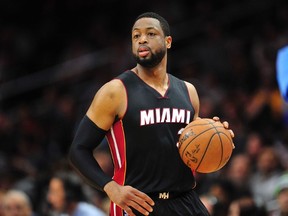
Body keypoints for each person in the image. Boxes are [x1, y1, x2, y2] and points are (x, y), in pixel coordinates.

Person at [69, 12, 234, 216]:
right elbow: (78, 149)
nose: (142, 39)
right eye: (136, 36)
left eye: (150, 33)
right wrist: (111, 188)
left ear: (168, 41)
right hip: (138, 204)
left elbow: (195, 148)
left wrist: (218, 137)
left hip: (185, 200)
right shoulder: (115, 91)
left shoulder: (188, 91)